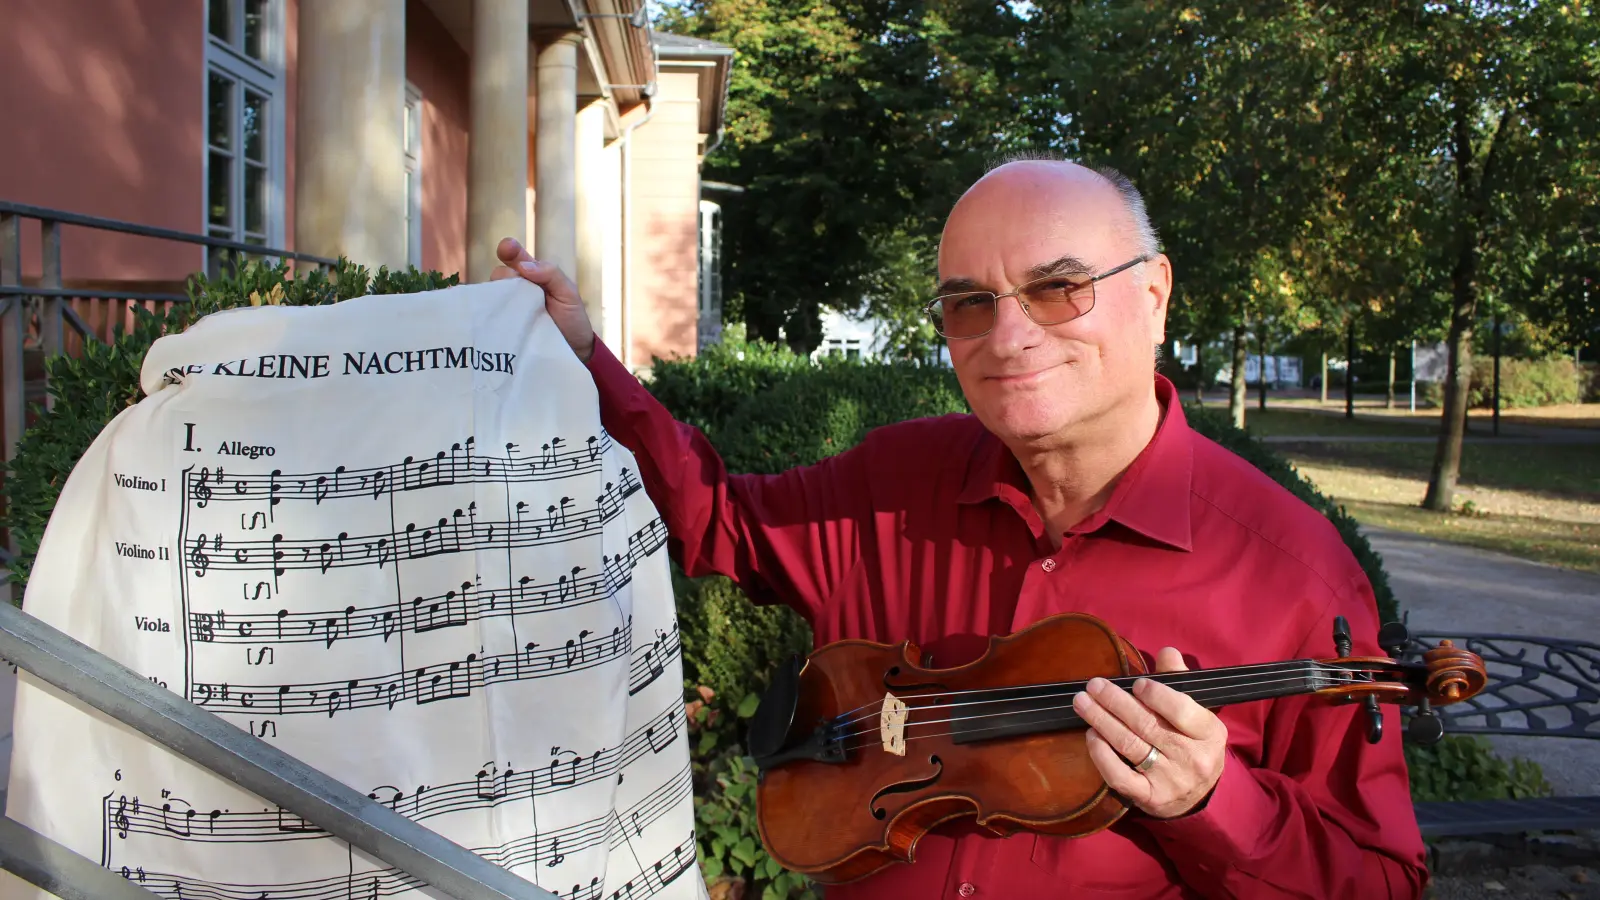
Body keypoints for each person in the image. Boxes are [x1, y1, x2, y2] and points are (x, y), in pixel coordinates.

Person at [490, 158, 1429, 898]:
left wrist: (1214, 802)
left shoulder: (1293, 574)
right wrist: (582, 356)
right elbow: (717, 521)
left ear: (1155, 292)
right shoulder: (895, 481)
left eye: (1061, 288)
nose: (1008, 335)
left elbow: (1380, 881)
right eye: (968, 303)